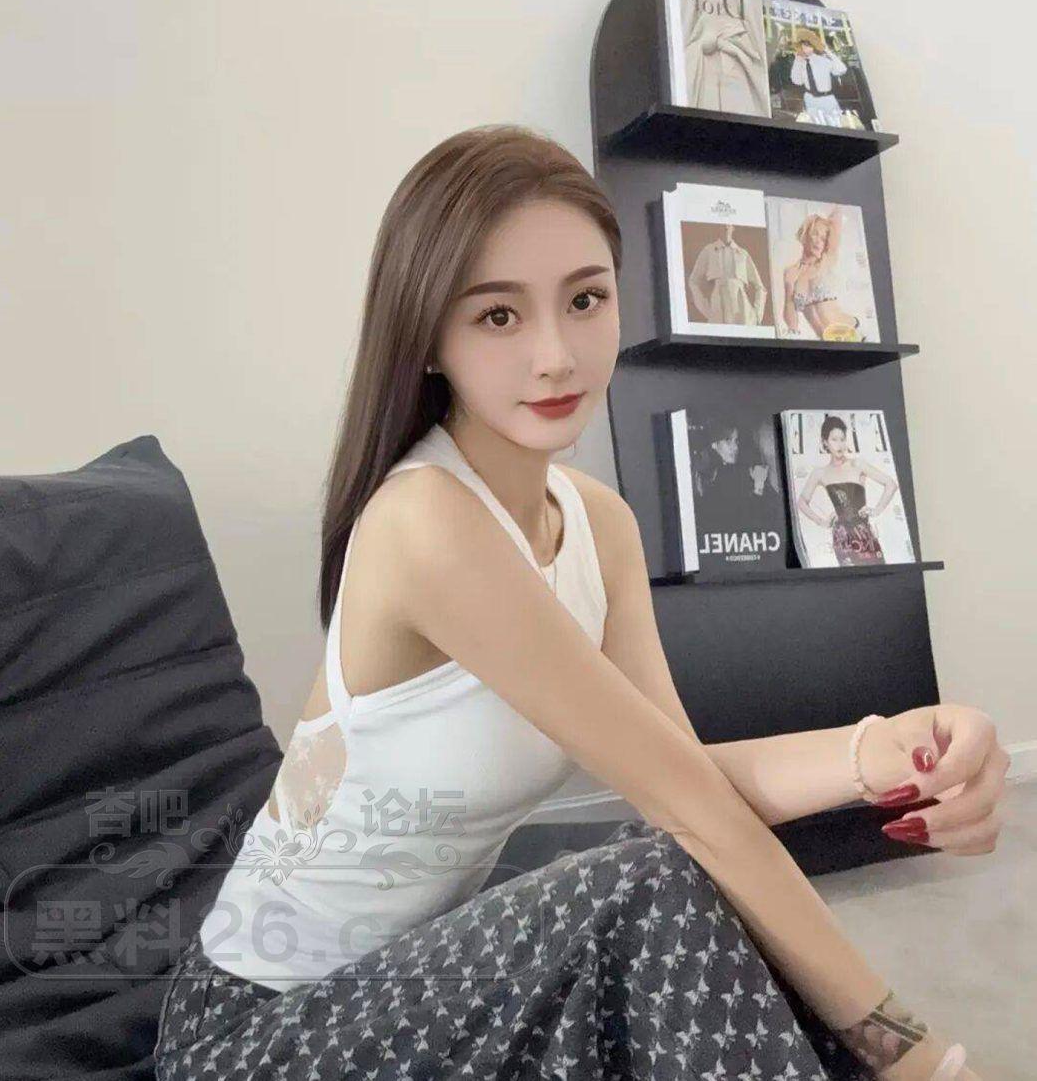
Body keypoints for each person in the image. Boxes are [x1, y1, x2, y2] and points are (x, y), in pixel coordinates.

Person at [154, 125, 983, 1080]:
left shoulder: (598, 524)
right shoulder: (426, 522)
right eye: (498, 316)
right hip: (260, 1028)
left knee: (686, 868)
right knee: (654, 878)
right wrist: (913, 1053)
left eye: (585, 300)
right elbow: (688, 811)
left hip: (424, 982)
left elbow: (683, 772)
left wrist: (886, 751)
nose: (556, 356)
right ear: (428, 338)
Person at [795, 415, 899, 566]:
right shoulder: (820, 473)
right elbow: (801, 502)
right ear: (825, 442)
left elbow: (891, 484)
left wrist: (876, 510)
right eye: (834, 439)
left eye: (842, 439)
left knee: (876, 574)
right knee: (850, 578)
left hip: (864, 535)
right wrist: (822, 522)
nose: (840, 445)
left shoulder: (857, 464)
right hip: (842, 538)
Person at [782, 204, 863, 341]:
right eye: (815, 234)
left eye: (824, 238)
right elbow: (792, 323)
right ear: (805, 235)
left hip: (854, 333)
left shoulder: (826, 261)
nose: (819, 242)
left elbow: (838, 214)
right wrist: (789, 285)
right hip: (828, 342)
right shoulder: (791, 272)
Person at [687, 221, 768, 326]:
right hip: (719, 308)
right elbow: (693, 281)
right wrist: (706, 309)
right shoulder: (709, 251)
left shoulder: (743, 254)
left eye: (729, 223)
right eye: (722, 223)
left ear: (733, 227)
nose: (726, 226)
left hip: (742, 310)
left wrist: (757, 314)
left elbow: (760, 287)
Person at [790, 32, 849, 126]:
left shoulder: (823, 60)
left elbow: (841, 70)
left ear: (813, 46)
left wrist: (828, 52)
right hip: (810, 98)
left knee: (835, 125)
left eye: (807, 46)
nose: (804, 49)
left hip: (827, 98)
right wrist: (797, 61)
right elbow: (797, 81)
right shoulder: (800, 62)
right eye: (802, 46)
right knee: (816, 126)